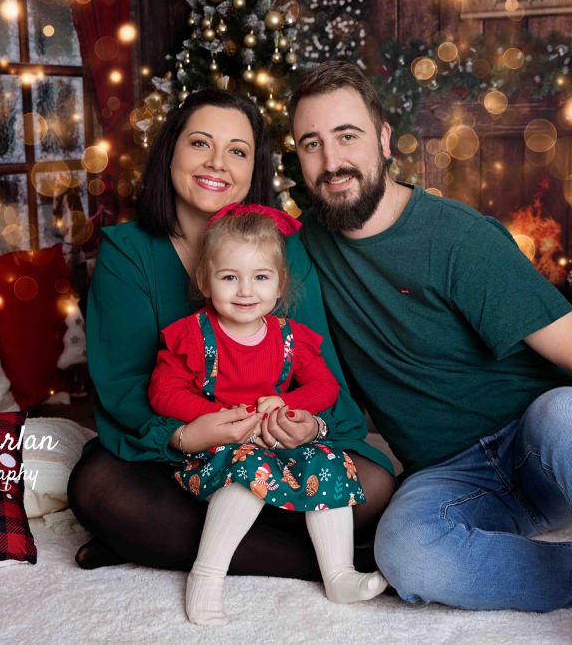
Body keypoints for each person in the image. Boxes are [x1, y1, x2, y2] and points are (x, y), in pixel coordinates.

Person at [286, 61, 572, 644]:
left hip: (539, 452)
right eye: (312, 143)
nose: (331, 160)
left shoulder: (457, 238)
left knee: (565, 409)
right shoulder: (303, 249)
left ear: (384, 139)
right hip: (450, 476)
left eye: (347, 136)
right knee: (404, 551)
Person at [66, 88, 395, 583]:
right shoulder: (127, 251)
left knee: (373, 487)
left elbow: (318, 368)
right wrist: (183, 434)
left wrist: (307, 426)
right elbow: (122, 383)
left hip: (275, 442)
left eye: (237, 151)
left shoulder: (285, 247)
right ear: (171, 152)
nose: (217, 163)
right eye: (200, 143)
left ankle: (155, 543)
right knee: (99, 491)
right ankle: (325, 566)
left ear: (252, 170)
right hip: (180, 448)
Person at [148, 204, 388, 624]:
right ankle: (206, 577)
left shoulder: (289, 338)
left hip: (278, 444)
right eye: (229, 277)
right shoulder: (194, 335)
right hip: (216, 452)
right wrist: (217, 417)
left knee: (328, 460)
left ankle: (339, 574)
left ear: (279, 286)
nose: (245, 291)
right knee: (250, 466)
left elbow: (324, 386)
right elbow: (163, 392)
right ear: (205, 280)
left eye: (260, 277)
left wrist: (290, 408)